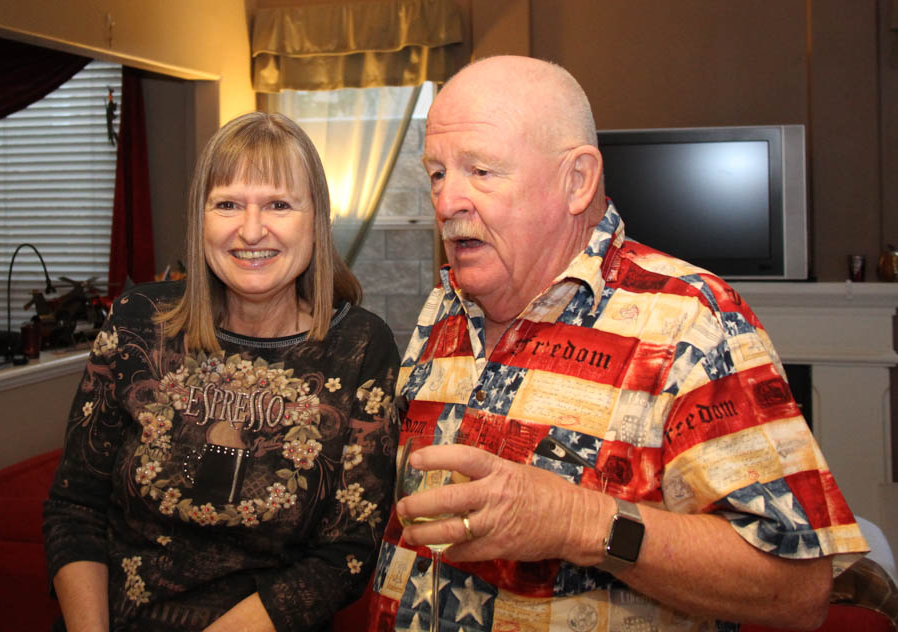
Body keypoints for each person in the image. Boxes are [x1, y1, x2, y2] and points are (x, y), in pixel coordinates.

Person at [367, 56, 869, 631]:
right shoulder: (444, 310)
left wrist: (581, 522)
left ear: (576, 180)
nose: (447, 200)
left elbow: (798, 590)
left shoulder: (694, 321)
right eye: (436, 173)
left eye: (481, 171)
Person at [43, 112, 401, 632]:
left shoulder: (362, 347)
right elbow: (74, 508)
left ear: (316, 219)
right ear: (201, 219)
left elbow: (345, 553)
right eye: (228, 204)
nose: (250, 230)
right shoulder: (139, 322)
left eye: (279, 204)